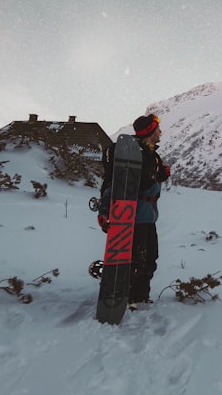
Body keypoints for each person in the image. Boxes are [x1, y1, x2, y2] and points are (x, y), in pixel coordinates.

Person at [98, 113, 170, 307]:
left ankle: (140, 297)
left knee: (150, 259)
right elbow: (115, 183)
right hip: (131, 216)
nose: (160, 132)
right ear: (150, 132)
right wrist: (104, 210)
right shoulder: (132, 153)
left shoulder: (151, 154)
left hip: (148, 215)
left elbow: (149, 179)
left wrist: (161, 174)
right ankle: (126, 297)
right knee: (137, 260)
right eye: (157, 129)